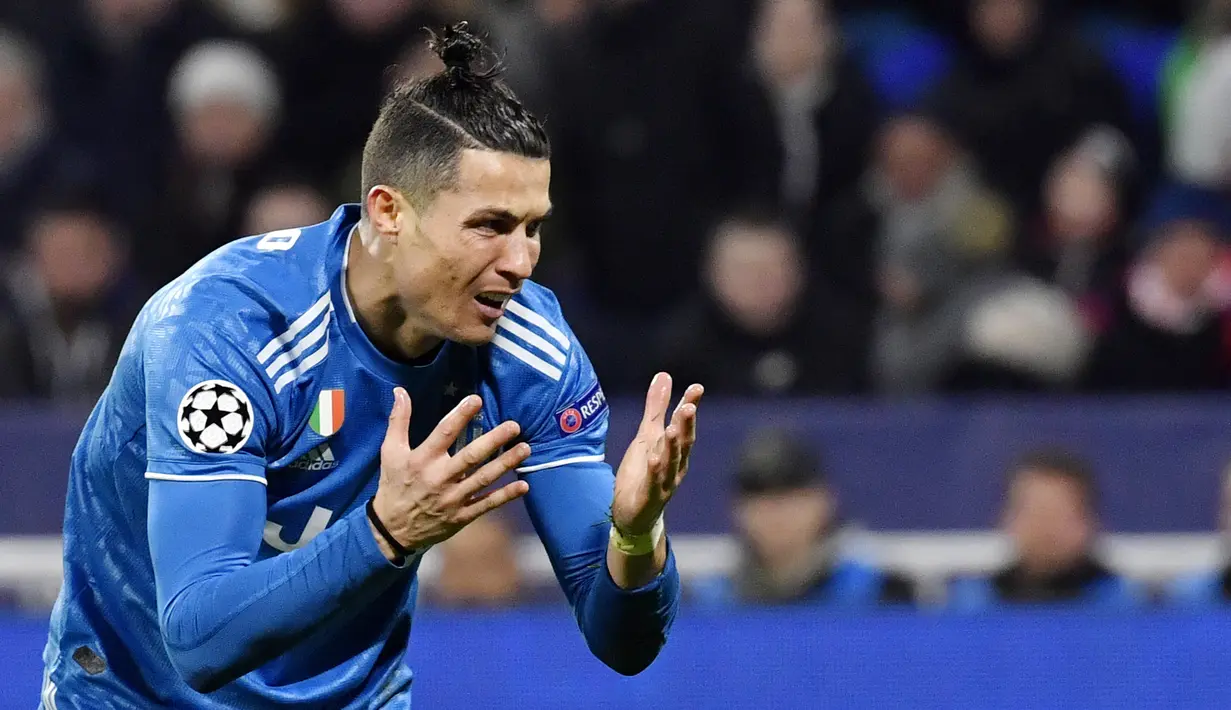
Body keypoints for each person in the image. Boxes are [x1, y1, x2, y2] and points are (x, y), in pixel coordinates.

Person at [39, 23, 703, 709]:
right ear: (389, 213)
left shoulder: (528, 347)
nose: (520, 261)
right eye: (489, 226)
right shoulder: (225, 330)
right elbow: (200, 641)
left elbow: (623, 646)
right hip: (137, 697)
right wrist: (386, 532)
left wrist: (635, 532)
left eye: (532, 227)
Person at [947, 449, 1145, 610]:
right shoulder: (970, 607)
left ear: (1091, 521)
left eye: (1058, 514)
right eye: (1034, 512)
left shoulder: (1129, 608)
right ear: (1006, 518)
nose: (1045, 529)